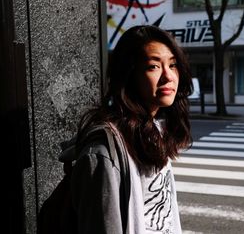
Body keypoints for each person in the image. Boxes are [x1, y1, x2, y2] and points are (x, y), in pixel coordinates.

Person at [71, 25, 193, 233]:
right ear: (128, 74)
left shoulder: (154, 131)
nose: (168, 76)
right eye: (153, 66)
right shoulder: (104, 152)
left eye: (172, 65)